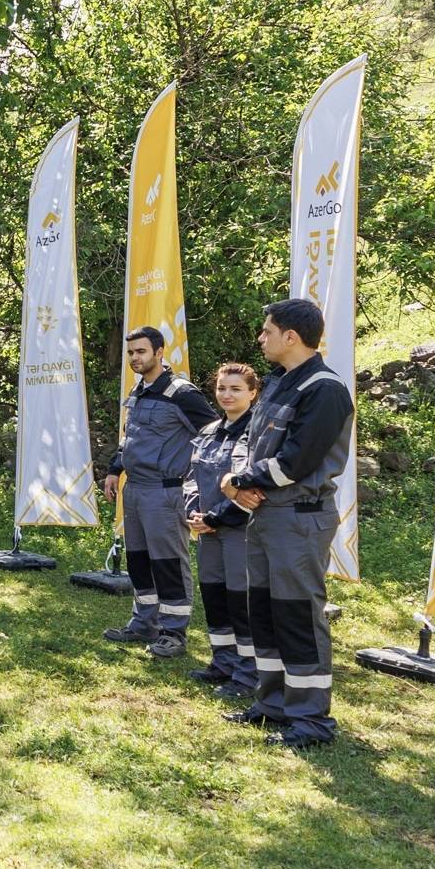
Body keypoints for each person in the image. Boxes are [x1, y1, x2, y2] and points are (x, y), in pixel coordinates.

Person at [221, 299, 356, 749]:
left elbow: (297, 461)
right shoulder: (280, 382)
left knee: (297, 614)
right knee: (264, 611)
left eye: (266, 331)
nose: (261, 338)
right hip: (265, 514)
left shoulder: (325, 389)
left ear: (291, 337)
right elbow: (253, 443)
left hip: (298, 518)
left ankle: (311, 719)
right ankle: (274, 703)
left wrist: (240, 481)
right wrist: (237, 486)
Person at [101, 327, 217, 655]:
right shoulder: (139, 392)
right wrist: (114, 469)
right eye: (131, 353)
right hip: (134, 491)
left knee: (167, 562)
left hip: (165, 493)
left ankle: (173, 632)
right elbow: (131, 438)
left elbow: (212, 436)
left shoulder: (181, 393)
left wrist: (201, 483)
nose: (135, 358)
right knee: (138, 561)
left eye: (141, 351)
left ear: (159, 352)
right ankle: (143, 623)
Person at [184, 362, 260, 697]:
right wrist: (192, 512)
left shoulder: (257, 433)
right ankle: (223, 662)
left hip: (239, 529)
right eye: (221, 388)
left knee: (239, 600)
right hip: (206, 531)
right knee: (214, 596)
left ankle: (248, 673)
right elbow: (191, 478)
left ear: (253, 393)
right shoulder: (207, 432)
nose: (226, 395)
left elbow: (254, 489)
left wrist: (214, 518)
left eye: (236, 389)